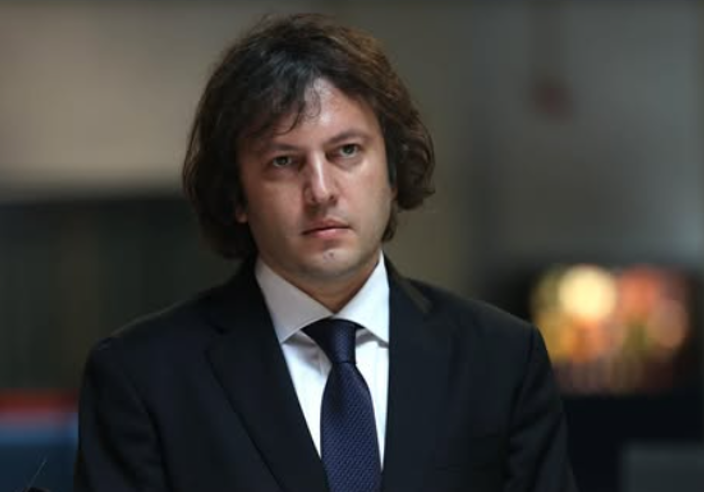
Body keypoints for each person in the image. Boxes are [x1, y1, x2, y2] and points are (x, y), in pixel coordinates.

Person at [74, 13, 577, 492]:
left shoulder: (502, 360)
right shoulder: (143, 377)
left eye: (347, 151)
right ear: (237, 195)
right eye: (284, 161)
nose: (321, 190)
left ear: (393, 172)